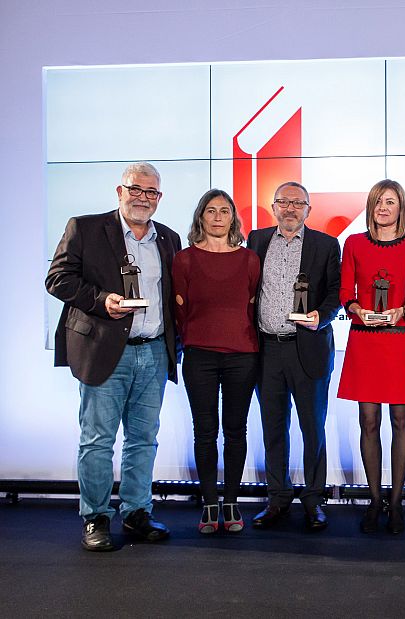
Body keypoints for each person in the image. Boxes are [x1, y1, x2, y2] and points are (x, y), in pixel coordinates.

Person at [46, 162, 181, 551]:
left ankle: (137, 512)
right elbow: (58, 278)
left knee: (143, 439)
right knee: (98, 440)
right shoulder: (85, 228)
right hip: (105, 349)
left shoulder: (168, 238)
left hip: (154, 351)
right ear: (119, 192)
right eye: (135, 190)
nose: (143, 198)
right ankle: (96, 517)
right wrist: (102, 300)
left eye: (151, 192)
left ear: (159, 198)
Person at [247, 182, 341, 532]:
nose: (290, 208)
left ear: (308, 210)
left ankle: (314, 500)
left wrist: (322, 316)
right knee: (273, 426)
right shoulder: (256, 241)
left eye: (297, 203)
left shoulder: (326, 244)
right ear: (273, 207)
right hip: (267, 348)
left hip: (308, 347)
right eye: (283, 202)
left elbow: (336, 293)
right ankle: (277, 498)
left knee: (312, 427)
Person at [337, 180, 405, 534]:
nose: (383, 207)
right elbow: (346, 292)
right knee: (369, 421)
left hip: (401, 339)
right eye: (378, 202)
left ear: (400, 206)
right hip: (365, 340)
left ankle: (396, 502)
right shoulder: (354, 243)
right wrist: (358, 310)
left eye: (390, 202)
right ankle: (375, 501)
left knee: (401, 421)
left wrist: (402, 309)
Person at [173, 189, 260, 534]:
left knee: (236, 430)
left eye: (225, 210)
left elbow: (252, 304)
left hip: (242, 355)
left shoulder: (250, 259)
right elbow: (180, 309)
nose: (218, 216)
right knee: (205, 431)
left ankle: (232, 502)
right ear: (201, 217)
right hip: (199, 356)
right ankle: (210, 503)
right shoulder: (184, 259)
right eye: (211, 210)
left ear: (233, 218)